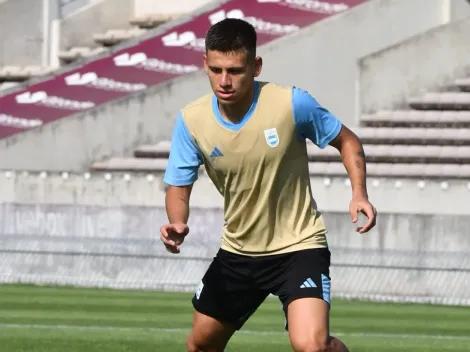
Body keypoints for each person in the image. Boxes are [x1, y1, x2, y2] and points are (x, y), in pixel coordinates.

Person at [160, 18, 377, 352]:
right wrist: (178, 221)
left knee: (312, 345)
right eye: (216, 69)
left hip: (298, 246)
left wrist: (359, 193)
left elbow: (347, 140)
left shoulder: (291, 104)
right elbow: (178, 185)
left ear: (256, 66)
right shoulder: (192, 120)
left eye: (235, 70)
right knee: (201, 345)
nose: (224, 81)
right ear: (204, 64)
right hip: (238, 251)